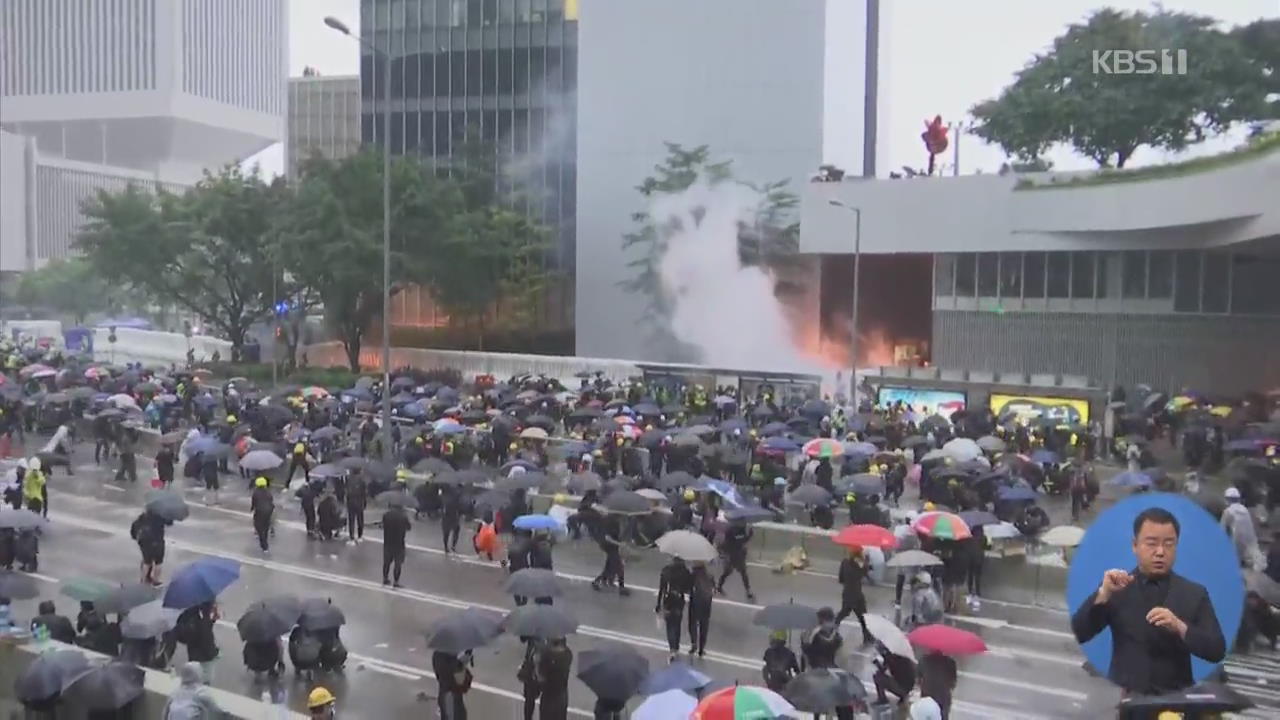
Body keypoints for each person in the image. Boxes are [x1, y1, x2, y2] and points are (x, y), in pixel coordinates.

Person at [1070, 506, 1226, 694]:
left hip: (1175, 700)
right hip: (1125, 698)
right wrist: (1103, 594)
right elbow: (1080, 633)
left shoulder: (1194, 593)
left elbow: (1216, 650)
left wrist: (1180, 627)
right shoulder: (1117, 588)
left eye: (1169, 544)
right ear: (1135, 545)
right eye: (1151, 543)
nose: (1160, 552)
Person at [835, 546, 875, 644]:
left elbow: (841, 579)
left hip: (847, 593)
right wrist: (866, 562)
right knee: (863, 616)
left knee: (843, 613)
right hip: (857, 594)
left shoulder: (844, 562)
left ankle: (832, 629)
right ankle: (867, 636)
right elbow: (866, 573)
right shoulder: (861, 565)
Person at [656, 556, 692, 660]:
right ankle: (676, 646)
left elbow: (661, 589)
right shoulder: (685, 572)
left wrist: (658, 604)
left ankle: (672, 649)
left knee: (670, 626)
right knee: (677, 624)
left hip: (668, 601)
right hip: (679, 601)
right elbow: (688, 588)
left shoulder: (666, 571)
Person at [176, 602, 220, 684]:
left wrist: (212, 621)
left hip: (193, 652)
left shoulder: (191, 615)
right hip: (204, 657)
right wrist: (215, 653)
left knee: (193, 679)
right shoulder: (202, 620)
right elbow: (206, 639)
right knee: (204, 681)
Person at [1221, 487, 1261, 570]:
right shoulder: (1245, 509)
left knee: (1235, 559)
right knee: (1252, 554)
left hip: (1237, 538)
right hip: (1250, 537)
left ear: (1227, 499)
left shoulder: (1228, 511)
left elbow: (1222, 528)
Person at [716, 520, 755, 601]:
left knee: (742, 573)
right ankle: (719, 586)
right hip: (732, 554)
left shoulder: (742, 529)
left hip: (738, 554)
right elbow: (734, 541)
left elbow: (743, 540)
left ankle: (748, 591)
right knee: (728, 572)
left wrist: (749, 535)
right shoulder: (730, 530)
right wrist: (748, 537)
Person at [591, 514, 629, 596]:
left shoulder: (616, 521)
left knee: (609, 567)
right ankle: (621, 588)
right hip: (608, 545)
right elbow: (607, 538)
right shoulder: (610, 522)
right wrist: (619, 544)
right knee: (619, 567)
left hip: (611, 546)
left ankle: (597, 581)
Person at [130, 508, 168, 586]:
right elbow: (169, 523)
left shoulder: (142, 518)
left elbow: (134, 529)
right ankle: (156, 580)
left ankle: (143, 580)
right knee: (158, 562)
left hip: (146, 543)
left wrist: (136, 538)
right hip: (158, 542)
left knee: (146, 562)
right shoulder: (161, 518)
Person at [537, 637, 572, 720]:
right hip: (562, 696)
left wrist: (537, 664)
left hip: (549, 697)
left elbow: (541, 679)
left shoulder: (547, 656)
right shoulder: (568, 654)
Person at [872, 641, 917, 706]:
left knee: (877, 676)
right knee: (896, 679)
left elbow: (883, 670)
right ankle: (902, 696)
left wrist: (876, 663)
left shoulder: (890, 658)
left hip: (902, 688)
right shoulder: (902, 655)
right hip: (909, 686)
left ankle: (882, 699)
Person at [432, 649, 471, 719]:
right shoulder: (445, 658)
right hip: (451, 697)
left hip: (449, 694)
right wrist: (461, 664)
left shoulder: (438, 654)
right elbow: (457, 679)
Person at [687, 561, 715, 657]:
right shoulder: (710, 576)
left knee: (692, 623)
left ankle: (694, 642)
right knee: (704, 625)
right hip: (706, 603)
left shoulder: (693, 576)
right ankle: (701, 649)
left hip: (695, 602)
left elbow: (688, 588)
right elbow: (713, 589)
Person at [918, 652, 957, 719]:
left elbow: (918, 677)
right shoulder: (950, 662)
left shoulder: (924, 660)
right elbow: (953, 682)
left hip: (927, 694)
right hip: (943, 696)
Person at [382, 500, 411, 588]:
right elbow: (409, 527)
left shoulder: (386, 515)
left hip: (387, 542)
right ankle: (396, 581)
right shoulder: (403, 516)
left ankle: (385, 578)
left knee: (386, 562)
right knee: (398, 564)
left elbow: (383, 525)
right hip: (399, 543)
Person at [518, 638, 544, 720]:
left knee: (530, 699)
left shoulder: (532, 630)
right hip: (537, 668)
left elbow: (523, 638)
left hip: (532, 668)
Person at [250, 477, 274, 554]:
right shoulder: (268, 492)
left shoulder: (256, 492)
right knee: (266, 526)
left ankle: (264, 545)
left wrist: (252, 508)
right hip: (269, 511)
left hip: (260, 511)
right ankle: (266, 538)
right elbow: (271, 500)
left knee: (259, 527)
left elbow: (254, 502)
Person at [346, 471, 367, 543]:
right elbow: (364, 492)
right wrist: (364, 502)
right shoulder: (362, 480)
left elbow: (347, 491)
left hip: (351, 501)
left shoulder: (349, 479)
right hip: (359, 501)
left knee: (351, 520)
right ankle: (360, 536)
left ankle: (351, 536)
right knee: (360, 519)